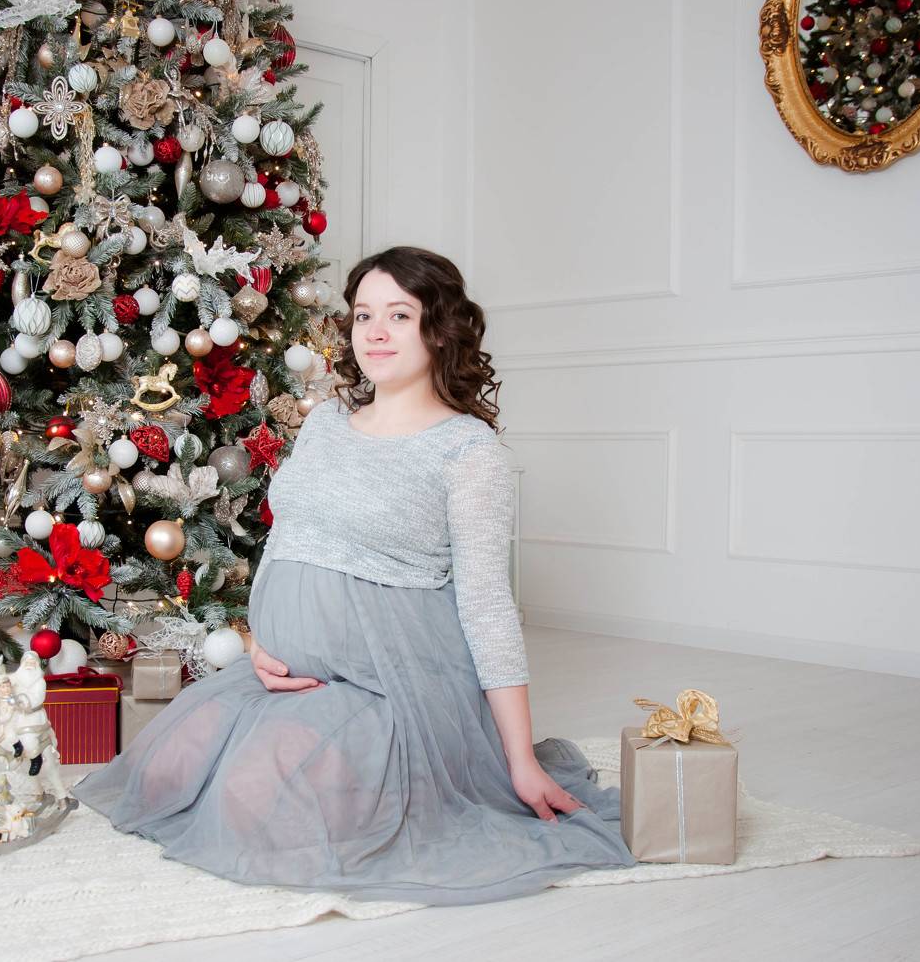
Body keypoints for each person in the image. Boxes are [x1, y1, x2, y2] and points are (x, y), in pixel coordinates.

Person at [71, 246, 635, 904]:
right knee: (163, 775)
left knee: (254, 807)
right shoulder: (327, 423)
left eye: (399, 315)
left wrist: (520, 761)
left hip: (393, 679)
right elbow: (287, 537)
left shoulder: (466, 450)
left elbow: (487, 607)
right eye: (364, 314)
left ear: (439, 329)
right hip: (291, 671)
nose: (375, 332)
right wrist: (261, 641)